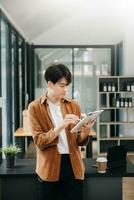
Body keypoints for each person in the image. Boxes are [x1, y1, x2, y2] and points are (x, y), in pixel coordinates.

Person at [28, 63, 95, 200]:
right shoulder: (35, 107)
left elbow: (78, 141)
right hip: (49, 166)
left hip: (73, 165)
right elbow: (39, 141)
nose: (66, 90)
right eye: (62, 85)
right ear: (50, 84)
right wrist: (61, 125)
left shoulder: (73, 105)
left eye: (67, 85)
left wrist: (85, 131)